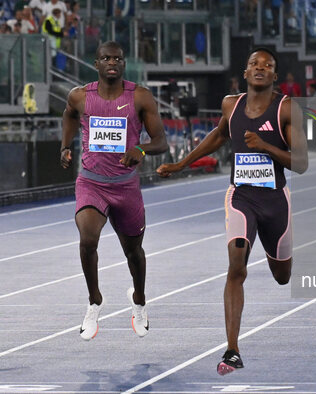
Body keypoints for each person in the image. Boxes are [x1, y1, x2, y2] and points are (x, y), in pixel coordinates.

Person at [156, 47, 308, 375]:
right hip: (240, 198)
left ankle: (272, 250)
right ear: (245, 72)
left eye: (267, 65)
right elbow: (219, 135)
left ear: (274, 75)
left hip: (275, 202)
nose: (259, 68)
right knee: (236, 266)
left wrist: (266, 146)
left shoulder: (286, 110)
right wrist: (182, 164)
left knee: (282, 277)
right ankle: (232, 350)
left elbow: (302, 163)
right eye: (253, 63)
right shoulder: (231, 104)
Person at [61, 41, 168, 340]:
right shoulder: (80, 96)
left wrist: (141, 150)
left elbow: (161, 142)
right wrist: (65, 146)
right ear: (96, 64)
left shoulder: (140, 97)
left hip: (125, 187)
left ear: (124, 63)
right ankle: (95, 300)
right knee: (87, 239)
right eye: (106, 58)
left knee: (133, 252)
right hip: (91, 182)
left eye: (118, 58)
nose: (112, 62)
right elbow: (69, 115)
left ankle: (139, 301)